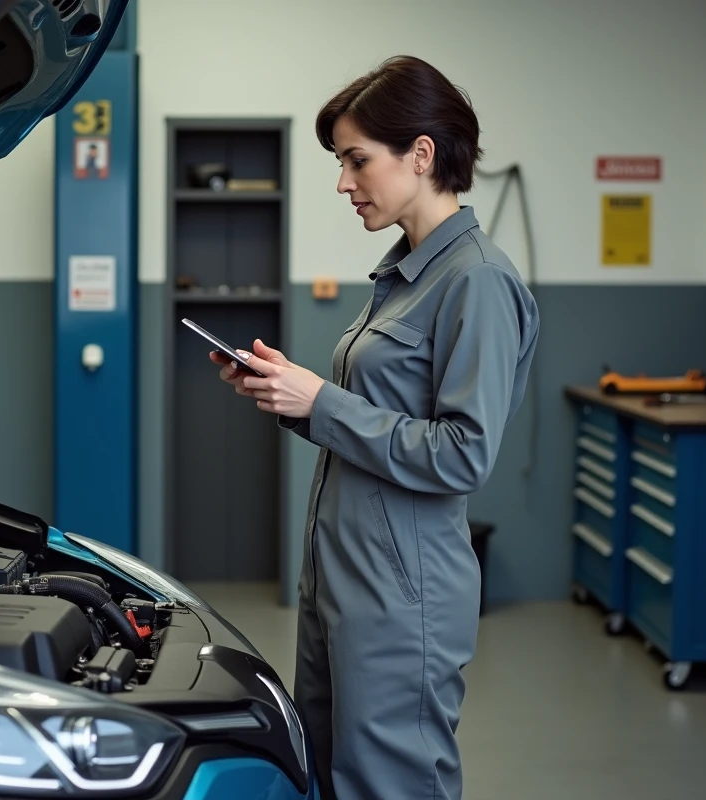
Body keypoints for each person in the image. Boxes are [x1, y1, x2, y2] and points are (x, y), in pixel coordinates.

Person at [209, 55, 539, 800]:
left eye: (356, 160)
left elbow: (464, 454)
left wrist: (321, 400)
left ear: (421, 154)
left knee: (388, 786)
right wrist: (287, 396)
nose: (342, 182)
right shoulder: (405, 275)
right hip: (342, 579)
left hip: (403, 596)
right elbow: (375, 421)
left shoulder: (476, 281)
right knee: (327, 777)